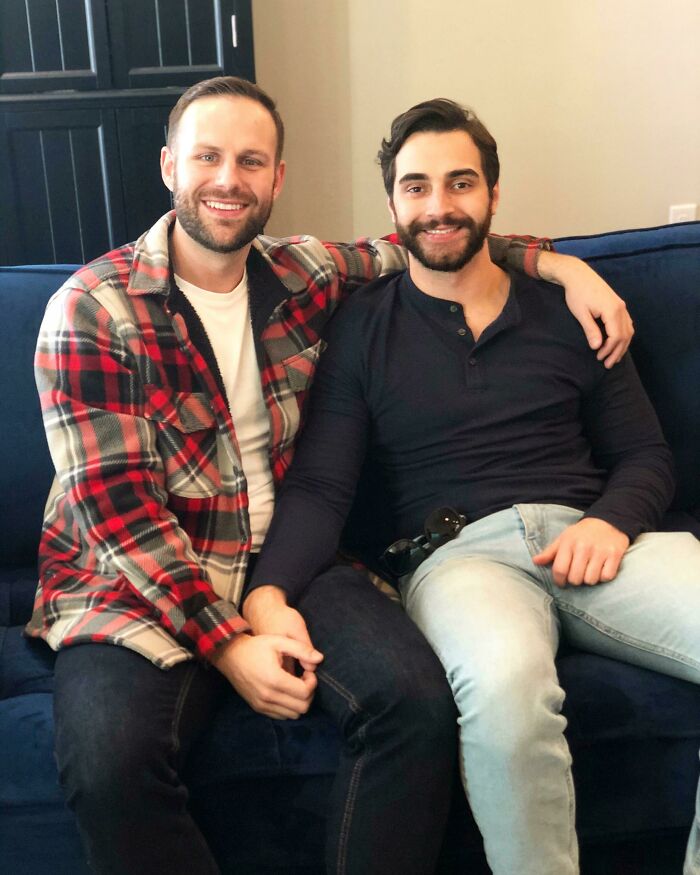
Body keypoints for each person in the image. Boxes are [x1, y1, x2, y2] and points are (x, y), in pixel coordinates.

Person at [27, 77, 632, 875]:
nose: (227, 179)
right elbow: (124, 522)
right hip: (135, 580)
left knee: (413, 706)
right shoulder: (93, 310)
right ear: (170, 165)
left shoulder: (307, 271)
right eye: (207, 156)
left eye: (251, 161)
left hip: (289, 558)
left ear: (277, 179)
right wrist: (232, 640)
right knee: (110, 766)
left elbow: (437, 235)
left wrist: (560, 266)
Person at [248, 98, 700, 875]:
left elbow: (648, 456)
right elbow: (322, 486)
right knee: (508, 699)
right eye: (417, 187)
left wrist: (612, 522)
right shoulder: (362, 324)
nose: (440, 206)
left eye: (461, 183)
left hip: (598, 540)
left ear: (494, 195)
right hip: (461, 560)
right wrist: (269, 592)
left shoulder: (572, 308)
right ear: (392, 205)